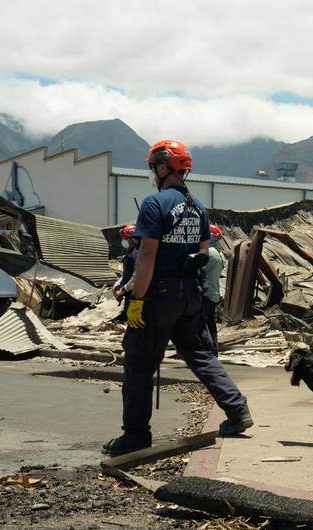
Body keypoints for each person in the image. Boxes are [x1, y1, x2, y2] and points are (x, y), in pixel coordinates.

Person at [102, 140, 253, 456]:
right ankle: (237, 410)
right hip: (190, 295)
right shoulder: (198, 207)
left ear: (161, 167)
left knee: (140, 364)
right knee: (201, 355)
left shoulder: (154, 205)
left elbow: (146, 256)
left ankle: (135, 436)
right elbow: (203, 252)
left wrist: (137, 299)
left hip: (158, 295)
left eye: (154, 167)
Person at [202, 223, 225, 353]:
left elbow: (197, 269)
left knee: (201, 325)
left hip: (206, 294)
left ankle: (205, 352)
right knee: (210, 325)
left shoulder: (210, 252)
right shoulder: (217, 253)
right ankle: (212, 351)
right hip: (212, 293)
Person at [112, 224, 138, 303]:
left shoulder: (139, 254)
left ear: (133, 239)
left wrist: (123, 290)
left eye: (125, 238)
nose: (123, 241)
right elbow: (127, 274)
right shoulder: (130, 254)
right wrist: (117, 285)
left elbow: (137, 276)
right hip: (130, 290)